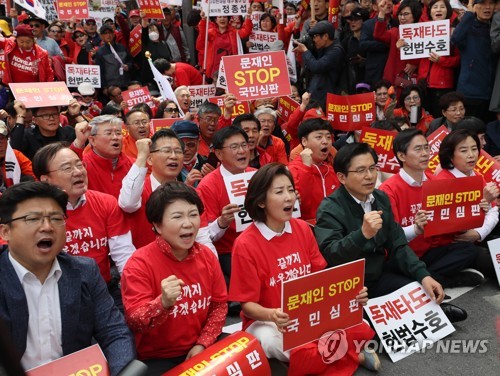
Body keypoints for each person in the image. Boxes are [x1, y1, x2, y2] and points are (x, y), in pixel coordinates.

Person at [229, 163, 379, 375]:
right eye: (279, 192)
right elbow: (247, 306)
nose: (289, 197)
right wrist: (272, 315)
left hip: (310, 311)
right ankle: (354, 356)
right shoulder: (245, 244)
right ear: (261, 201)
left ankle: (327, 358)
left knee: (359, 322)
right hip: (268, 321)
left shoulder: (301, 228)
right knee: (271, 341)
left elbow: (322, 277)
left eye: (291, 190)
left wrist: (351, 295)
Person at [315, 143, 467, 322]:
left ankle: (434, 309)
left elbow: (397, 243)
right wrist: (362, 234)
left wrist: (424, 275)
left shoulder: (379, 198)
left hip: (378, 275)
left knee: (419, 291)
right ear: (342, 177)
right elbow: (331, 255)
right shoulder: (329, 208)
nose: (369, 176)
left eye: (372, 168)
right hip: (348, 286)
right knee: (369, 326)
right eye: (361, 170)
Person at [0, 181, 136, 375]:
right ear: (5, 232)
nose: (47, 227)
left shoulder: (84, 271)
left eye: (56, 218)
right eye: (33, 218)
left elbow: (114, 333)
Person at [121, 182, 227, 375]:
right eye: (177, 216)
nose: (188, 223)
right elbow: (135, 321)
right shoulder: (139, 264)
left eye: (193, 215)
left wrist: (202, 344)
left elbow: (219, 306)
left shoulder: (207, 256)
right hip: (158, 357)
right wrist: (162, 303)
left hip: (201, 345)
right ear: (157, 225)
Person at [32, 143, 135, 308]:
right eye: (67, 168)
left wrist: (135, 288)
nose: (78, 172)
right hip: (54, 294)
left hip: (102, 290)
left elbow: (124, 255)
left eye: (80, 165)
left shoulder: (105, 202)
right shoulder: (33, 213)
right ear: (45, 179)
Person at [379, 129, 484, 288]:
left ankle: (421, 281)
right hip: (404, 255)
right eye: (418, 149)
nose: (425, 153)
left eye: (426, 148)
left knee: (468, 250)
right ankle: (443, 280)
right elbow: (391, 236)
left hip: (431, 252)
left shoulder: (436, 182)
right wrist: (415, 229)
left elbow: (452, 221)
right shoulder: (389, 189)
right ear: (401, 156)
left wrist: (479, 208)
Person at [436, 129, 498, 278]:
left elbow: (493, 211)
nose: (471, 155)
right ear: (450, 155)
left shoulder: (476, 175)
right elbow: (446, 224)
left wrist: (479, 233)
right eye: (464, 150)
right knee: (490, 263)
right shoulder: (441, 182)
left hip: (477, 235)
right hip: (454, 244)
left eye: (474, 149)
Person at [196, 126, 255, 283]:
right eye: (234, 147)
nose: (242, 151)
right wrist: (222, 222)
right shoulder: (207, 186)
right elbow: (205, 236)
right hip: (229, 252)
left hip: (261, 243)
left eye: (244, 145)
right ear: (219, 154)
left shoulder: (256, 175)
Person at [452, 0, 496, 122]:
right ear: (473, 6)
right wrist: (469, 14)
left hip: (492, 95)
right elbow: (455, 39)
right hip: (470, 93)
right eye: (482, 3)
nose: (487, 7)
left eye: (490, 3)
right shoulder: (468, 25)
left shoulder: (495, 27)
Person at [288, 118, 340, 222]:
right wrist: (306, 168)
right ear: (304, 141)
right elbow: (300, 206)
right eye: (319, 137)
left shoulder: (331, 170)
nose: (325, 141)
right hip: (307, 230)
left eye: (328, 137)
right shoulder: (291, 170)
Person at [417, 0, 460, 118]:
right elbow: (414, 56)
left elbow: (458, 60)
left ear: (448, 10)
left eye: (442, 7)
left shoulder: (454, 32)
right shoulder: (421, 31)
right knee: (422, 118)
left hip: (442, 86)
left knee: (439, 118)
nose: (439, 10)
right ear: (430, 11)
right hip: (423, 84)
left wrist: (441, 60)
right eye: (435, 7)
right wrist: (402, 47)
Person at [74, 115, 133, 199]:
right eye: (108, 133)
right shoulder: (83, 165)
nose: (115, 137)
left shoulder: (133, 164)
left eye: (118, 133)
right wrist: (78, 142)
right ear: (92, 140)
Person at [293, 21, 346, 108]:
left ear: (325, 36)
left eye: (316, 36)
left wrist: (305, 51)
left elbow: (317, 67)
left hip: (328, 100)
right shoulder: (323, 48)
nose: (313, 40)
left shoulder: (336, 51)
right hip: (317, 96)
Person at [9, 101, 85, 160]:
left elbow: (92, 140)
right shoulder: (28, 135)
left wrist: (76, 115)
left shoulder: (68, 132)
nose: (51, 119)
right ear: (35, 120)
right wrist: (21, 115)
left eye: (55, 114)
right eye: (45, 115)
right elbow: (15, 148)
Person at [373, 0, 420, 86]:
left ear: (415, 15)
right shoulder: (395, 32)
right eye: (400, 14)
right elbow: (378, 35)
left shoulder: (422, 32)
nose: (402, 17)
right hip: (393, 78)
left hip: (413, 79)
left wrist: (415, 64)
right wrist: (381, 13)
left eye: (406, 14)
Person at [94, 24, 133, 89]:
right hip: (111, 87)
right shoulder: (100, 52)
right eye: (105, 33)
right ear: (101, 36)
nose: (108, 35)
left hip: (125, 84)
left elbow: (130, 61)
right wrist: (104, 88)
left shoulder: (122, 47)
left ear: (113, 34)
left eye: (110, 33)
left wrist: (128, 66)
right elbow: (100, 72)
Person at [170, 120, 207, 187]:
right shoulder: (166, 167)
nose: (185, 149)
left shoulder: (206, 165)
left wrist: (213, 177)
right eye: (181, 145)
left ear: (198, 143)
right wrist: (186, 185)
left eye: (190, 144)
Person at [0, 120, 34, 192]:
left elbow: (35, 177)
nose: (0, 144)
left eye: (1, 138)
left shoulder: (15, 155)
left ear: (7, 139)